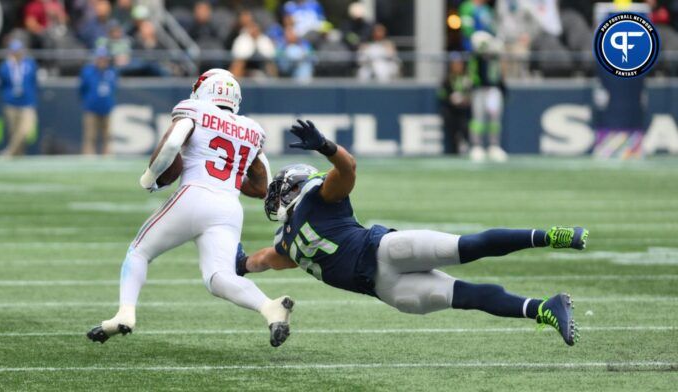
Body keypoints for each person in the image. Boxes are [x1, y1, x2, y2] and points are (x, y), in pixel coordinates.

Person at [236, 121, 588, 346]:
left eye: (277, 190)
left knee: (471, 246)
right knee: (468, 297)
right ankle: (546, 308)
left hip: (386, 250)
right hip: (385, 289)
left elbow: (348, 167)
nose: (273, 199)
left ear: (292, 187)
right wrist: (239, 264)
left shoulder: (320, 197)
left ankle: (551, 236)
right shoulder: (286, 242)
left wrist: (327, 146)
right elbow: (264, 260)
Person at [86, 69, 293, 348]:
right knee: (218, 278)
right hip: (229, 207)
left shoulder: (194, 109)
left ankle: (125, 313)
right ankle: (270, 307)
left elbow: (173, 142)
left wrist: (149, 178)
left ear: (204, 90)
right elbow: (262, 185)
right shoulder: (251, 128)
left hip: (194, 195)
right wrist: (232, 173)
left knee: (139, 251)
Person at [0, 40, 38, 157]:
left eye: (19, 51)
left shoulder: (30, 64)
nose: (17, 54)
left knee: (25, 130)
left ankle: (9, 152)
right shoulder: (5, 67)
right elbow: (1, 84)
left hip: (27, 102)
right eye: (15, 52)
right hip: (11, 102)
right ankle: (19, 155)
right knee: (13, 132)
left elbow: (34, 82)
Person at [79, 47, 118, 155]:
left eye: (104, 58)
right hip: (91, 108)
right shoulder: (88, 72)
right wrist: (87, 101)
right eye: (100, 58)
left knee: (108, 136)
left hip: (106, 108)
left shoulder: (111, 72)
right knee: (90, 136)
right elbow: (82, 89)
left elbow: (113, 89)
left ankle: (108, 157)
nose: (102, 61)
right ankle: (88, 159)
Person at [438, 55, 472, 155]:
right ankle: (454, 151)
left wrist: (466, 99)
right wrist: (450, 99)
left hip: (463, 110)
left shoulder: (466, 78)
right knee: (452, 132)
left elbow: (471, 93)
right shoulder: (448, 78)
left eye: (459, 64)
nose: (458, 66)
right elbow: (442, 94)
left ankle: (468, 148)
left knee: (465, 129)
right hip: (451, 110)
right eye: (455, 64)